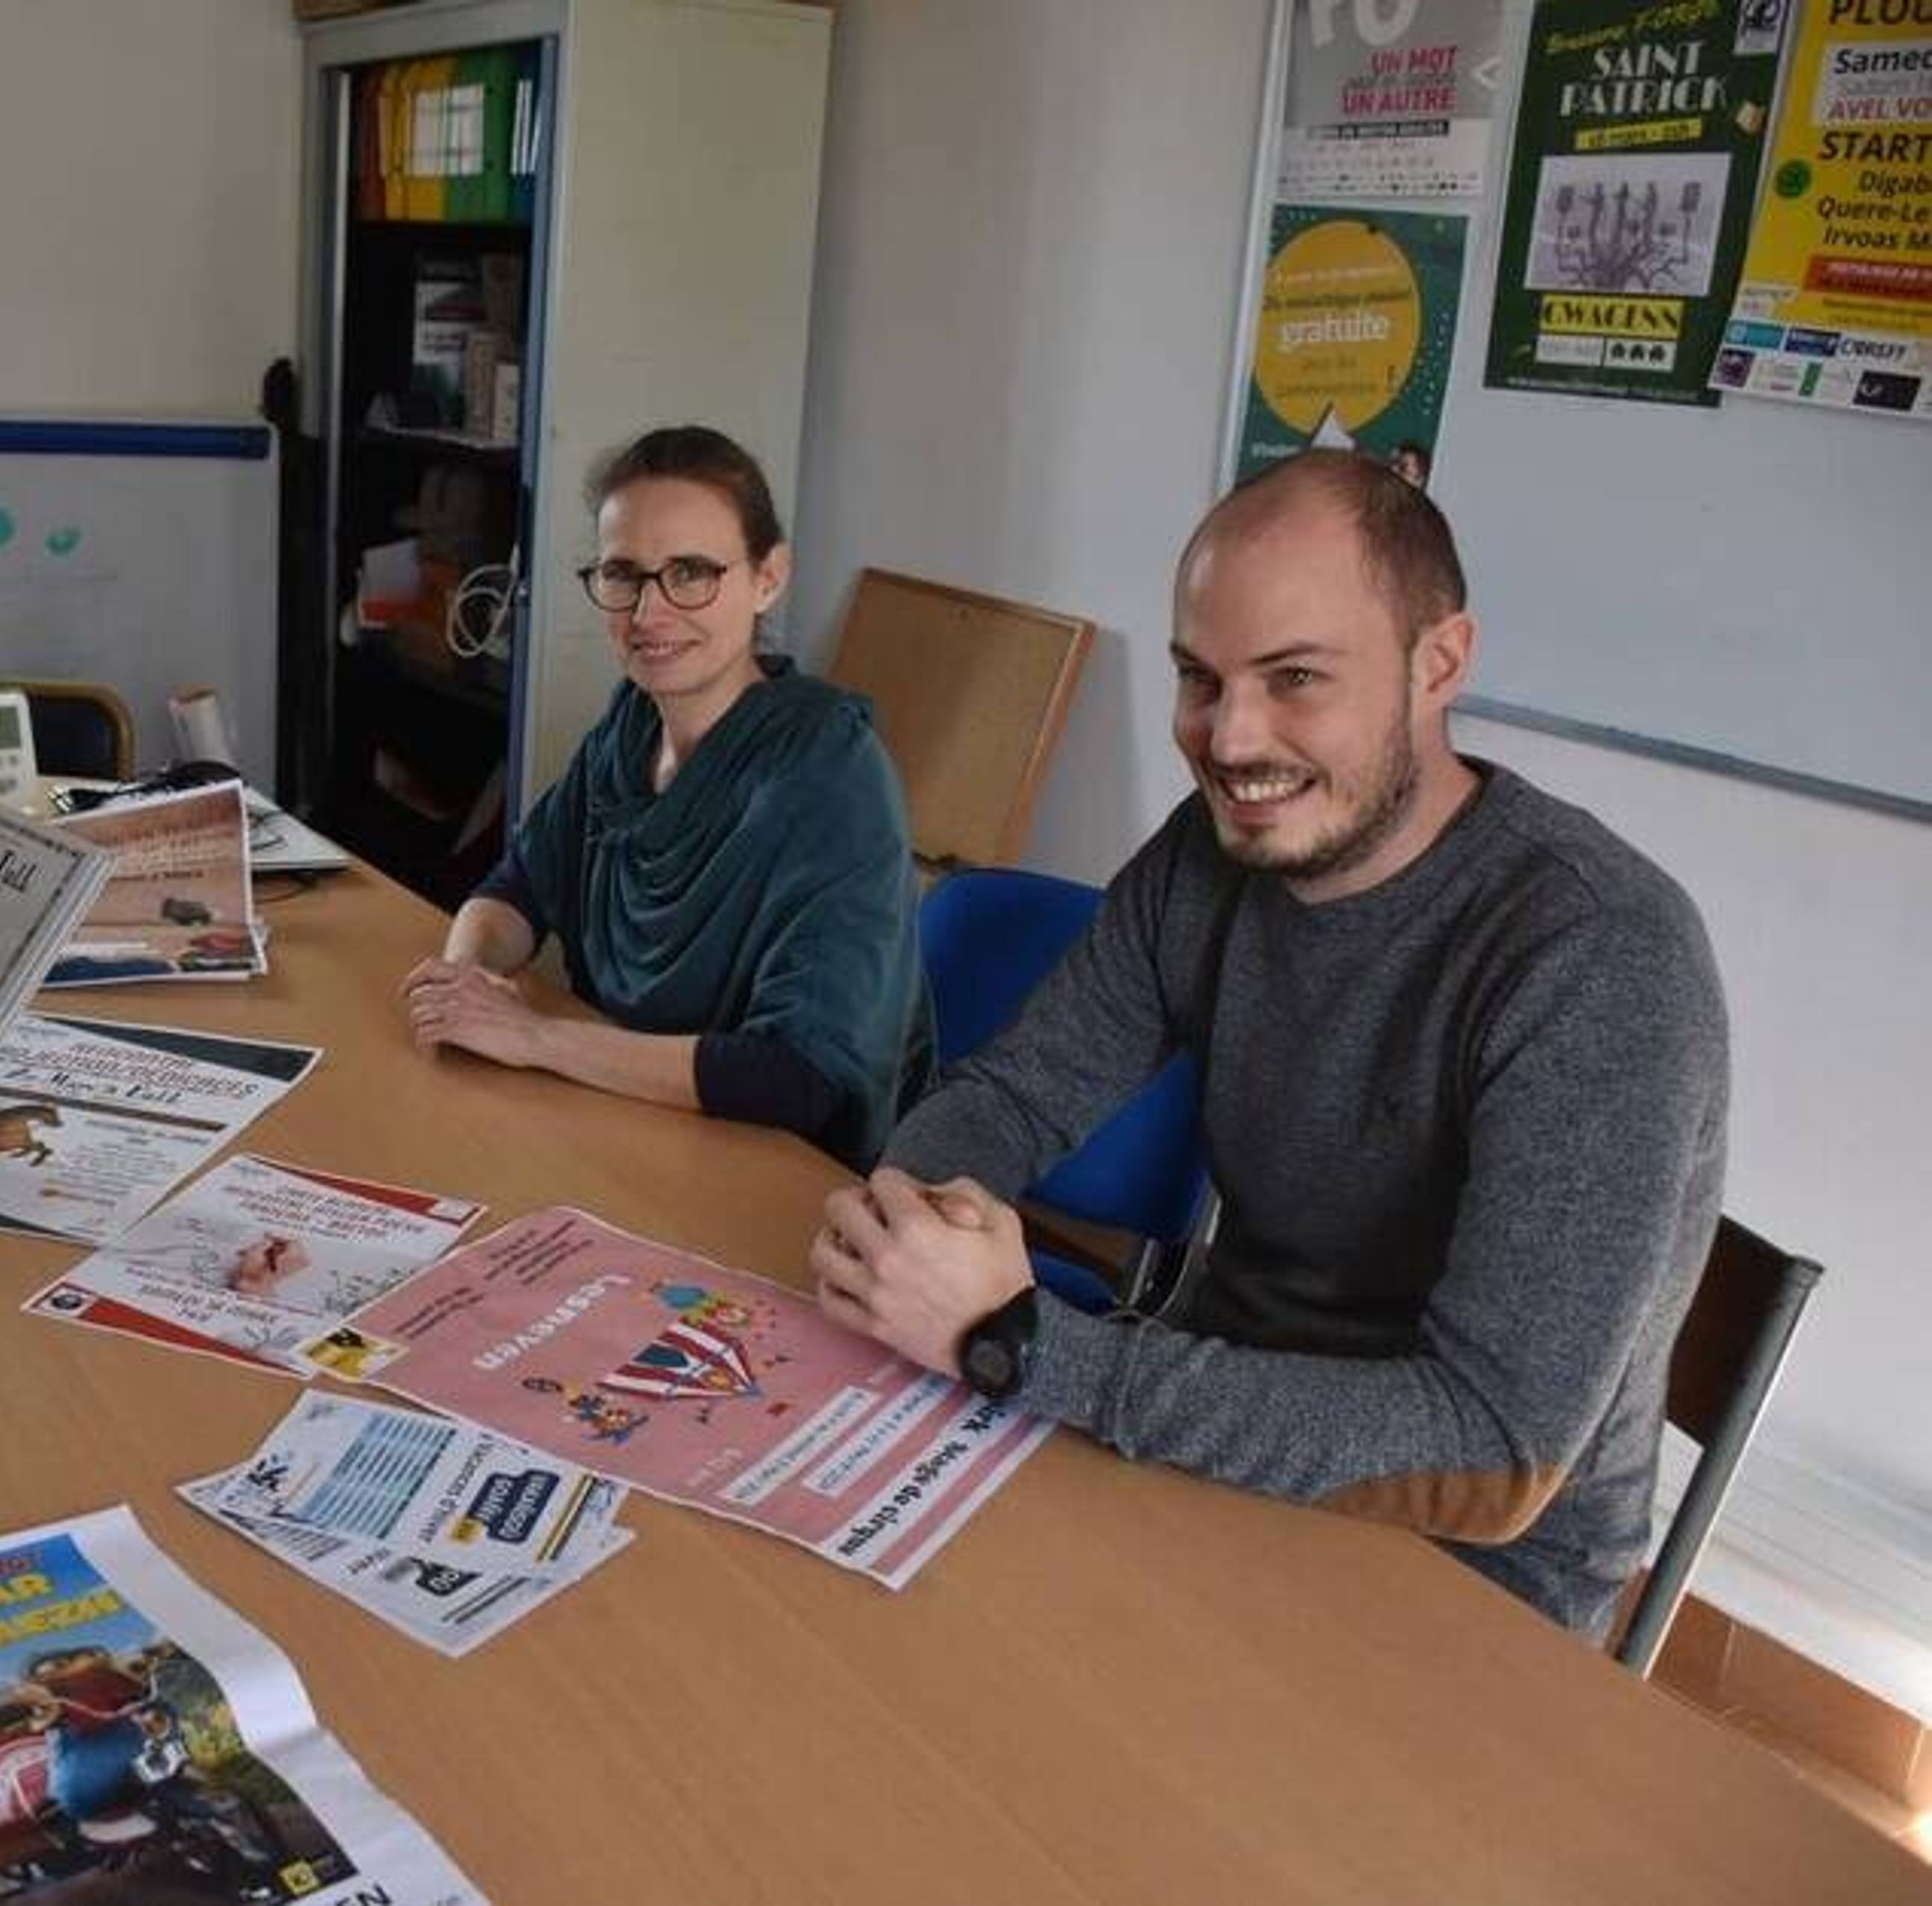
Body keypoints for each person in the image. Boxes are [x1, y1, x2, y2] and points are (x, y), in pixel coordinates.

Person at [808, 449, 1726, 1639]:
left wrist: (1026, 1343)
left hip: (1457, 1586)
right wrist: (919, 1215)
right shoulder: (1213, 851)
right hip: (1196, 1441)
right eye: (1201, 678)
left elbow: (1492, 1453)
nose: (1231, 740)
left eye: (1295, 678)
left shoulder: (1600, 955)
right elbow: (1020, 1090)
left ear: (1438, 663)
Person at [400, 426, 929, 1168]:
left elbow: (799, 1076)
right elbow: (520, 885)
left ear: (768, 577)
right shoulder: (630, 728)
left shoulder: (830, 773)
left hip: (775, 1173)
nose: (649, 611)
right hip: (623, 1126)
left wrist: (538, 1039)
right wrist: (468, 979)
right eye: (623, 574)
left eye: (691, 573)